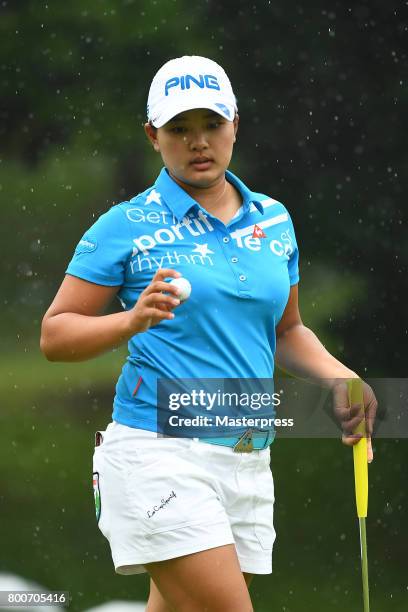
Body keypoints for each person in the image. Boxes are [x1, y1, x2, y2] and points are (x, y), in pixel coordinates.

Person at [40, 56, 377, 612]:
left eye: (211, 125)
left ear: (235, 125)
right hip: (158, 454)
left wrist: (340, 378)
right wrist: (132, 319)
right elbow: (55, 335)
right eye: (178, 129)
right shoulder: (127, 224)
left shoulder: (274, 218)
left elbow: (287, 330)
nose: (198, 142)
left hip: (246, 455)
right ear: (153, 136)